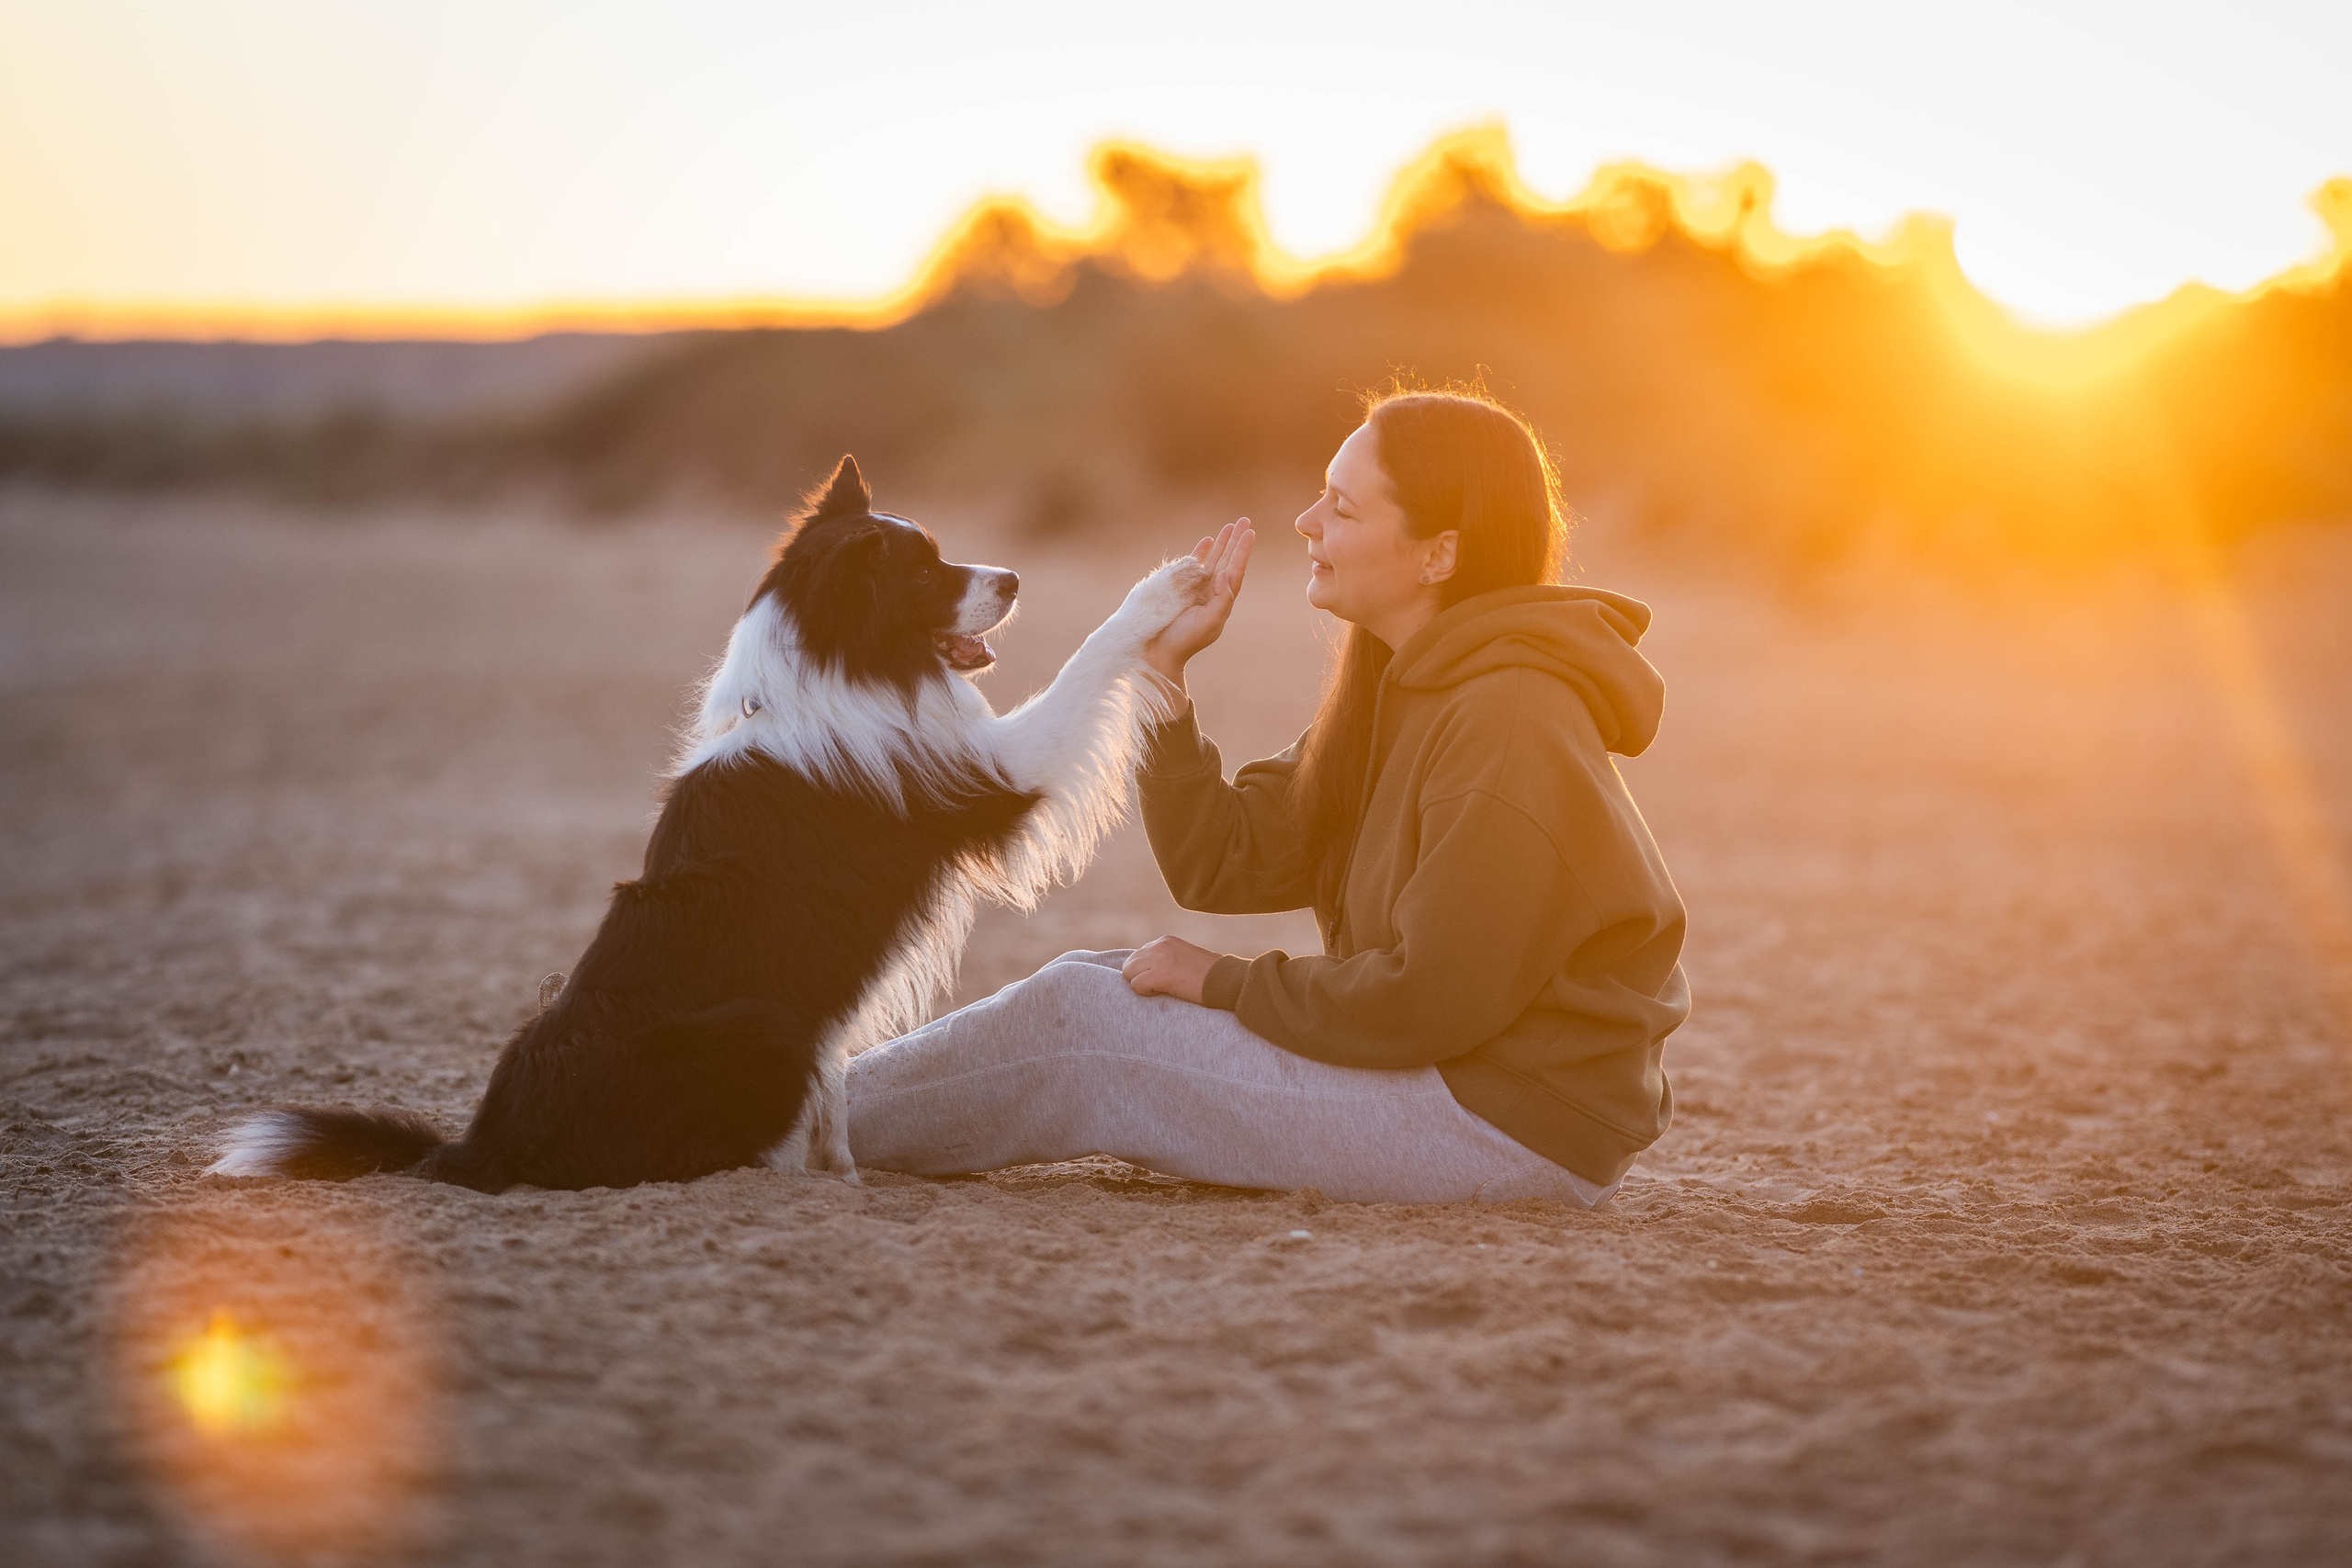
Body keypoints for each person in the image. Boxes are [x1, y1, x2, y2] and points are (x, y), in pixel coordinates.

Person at [847, 389, 1688, 1205]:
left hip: (1507, 1118)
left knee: (1085, 1023)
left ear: (1439, 553)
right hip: (1450, 1071)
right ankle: (801, 1104)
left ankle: (787, 1120)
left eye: (1345, 509)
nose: (1307, 522)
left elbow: (1430, 998)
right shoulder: (1400, 686)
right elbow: (1227, 861)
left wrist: (1222, 980)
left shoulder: (1508, 715)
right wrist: (1164, 679)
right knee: (1094, 982)